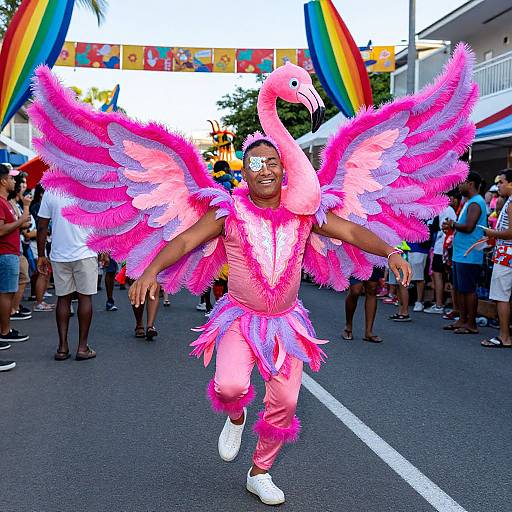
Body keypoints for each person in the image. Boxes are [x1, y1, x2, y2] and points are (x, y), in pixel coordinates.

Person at [31, 47, 475, 506]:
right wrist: (149, 269)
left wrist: (392, 250)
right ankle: (236, 417)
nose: (264, 169)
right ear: (244, 171)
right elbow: (183, 241)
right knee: (230, 387)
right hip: (239, 319)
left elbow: (349, 229)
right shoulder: (228, 212)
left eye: (272, 163)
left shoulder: (306, 211)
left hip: (287, 323)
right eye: (255, 164)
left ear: (285, 169)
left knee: (284, 404)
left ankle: (260, 471)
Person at [36, 190, 99, 361]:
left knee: (63, 299)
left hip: (59, 254)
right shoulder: (87, 188)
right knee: (85, 298)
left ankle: (62, 347)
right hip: (86, 252)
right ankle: (82, 347)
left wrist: (41, 254)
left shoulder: (51, 192)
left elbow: (42, 225)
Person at [442, 172, 487, 334]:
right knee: (460, 288)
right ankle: (462, 320)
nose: (459, 186)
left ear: (470, 183)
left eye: (462, 183)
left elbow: (469, 227)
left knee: (468, 289)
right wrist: (451, 226)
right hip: (461, 253)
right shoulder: (469, 202)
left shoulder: (476, 202)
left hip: (469, 254)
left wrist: (453, 224)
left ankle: (471, 324)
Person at [0, 163, 31, 355]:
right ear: (3, 181)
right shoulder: (1, 202)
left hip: (10, 253)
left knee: (8, 293)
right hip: (5, 254)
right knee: (5, 293)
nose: (14, 182)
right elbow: (1, 230)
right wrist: (21, 220)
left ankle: (6, 329)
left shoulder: (6, 202)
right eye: (11, 178)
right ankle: (4, 331)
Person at [481, 169, 512, 348]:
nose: (498, 186)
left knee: (502, 296)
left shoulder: (510, 203)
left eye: (501, 182)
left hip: (506, 255)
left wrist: (492, 233)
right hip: (505, 253)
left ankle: (504, 336)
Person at [424, 190, 460, 314]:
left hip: (443, 246)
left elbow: (447, 229)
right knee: (439, 275)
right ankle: (440, 303)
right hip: (441, 245)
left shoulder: (446, 209)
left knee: (439, 275)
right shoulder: (445, 209)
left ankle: (440, 305)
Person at [8, 173, 33, 321]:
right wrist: (25, 210)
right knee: (14, 283)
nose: (24, 185)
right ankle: (12, 310)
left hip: (17, 247)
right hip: (11, 249)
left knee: (21, 279)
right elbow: (18, 224)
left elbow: (22, 224)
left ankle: (14, 308)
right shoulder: (8, 202)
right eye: (21, 182)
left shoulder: (15, 202)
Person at [342, 268, 384, 343]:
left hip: (374, 259)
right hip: (356, 258)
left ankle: (368, 332)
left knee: (372, 289)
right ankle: (348, 325)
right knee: (355, 290)